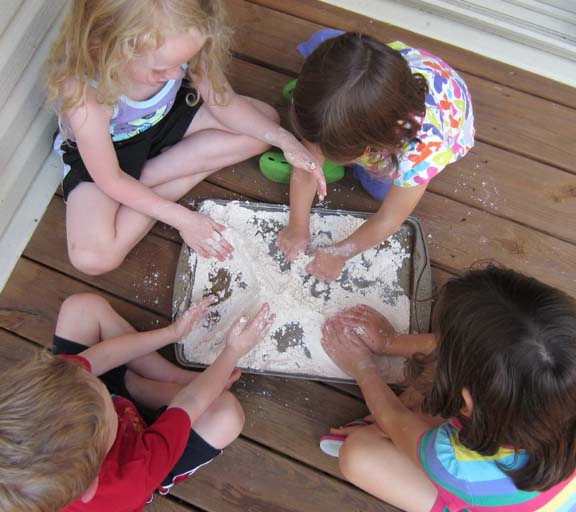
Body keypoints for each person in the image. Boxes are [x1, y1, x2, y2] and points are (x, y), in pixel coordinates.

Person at [46, 0, 320, 275]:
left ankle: (144, 184)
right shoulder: (85, 97)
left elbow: (224, 103)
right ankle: (150, 189)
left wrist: (285, 140)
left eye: (183, 63)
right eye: (162, 69)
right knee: (93, 258)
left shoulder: (178, 42)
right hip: (111, 155)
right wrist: (186, 220)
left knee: (263, 124)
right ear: (107, 47)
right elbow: (110, 179)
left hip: (167, 116)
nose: (177, 74)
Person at [320, 266, 576, 511]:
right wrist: (391, 342)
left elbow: (392, 417)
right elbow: (470, 355)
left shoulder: (457, 465)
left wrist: (361, 366)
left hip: (480, 493)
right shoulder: (556, 379)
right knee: (429, 388)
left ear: (468, 403)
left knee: (357, 454)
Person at [0, 293, 274, 511]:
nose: (93, 376)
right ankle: (141, 387)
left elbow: (102, 359)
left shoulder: (56, 392)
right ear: (92, 485)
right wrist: (232, 352)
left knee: (81, 307)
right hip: (151, 452)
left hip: (100, 423)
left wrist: (172, 333)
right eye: (101, 389)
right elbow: (191, 401)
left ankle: (161, 379)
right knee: (227, 414)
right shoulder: (130, 476)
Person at [277, 30, 475, 282]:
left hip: (447, 106)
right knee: (339, 74)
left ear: (373, 144)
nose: (320, 155)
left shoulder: (421, 151)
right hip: (383, 72)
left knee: (379, 189)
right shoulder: (370, 92)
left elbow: (390, 218)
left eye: (332, 151)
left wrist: (339, 253)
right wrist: (297, 225)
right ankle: (327, 58)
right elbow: (307, 165)